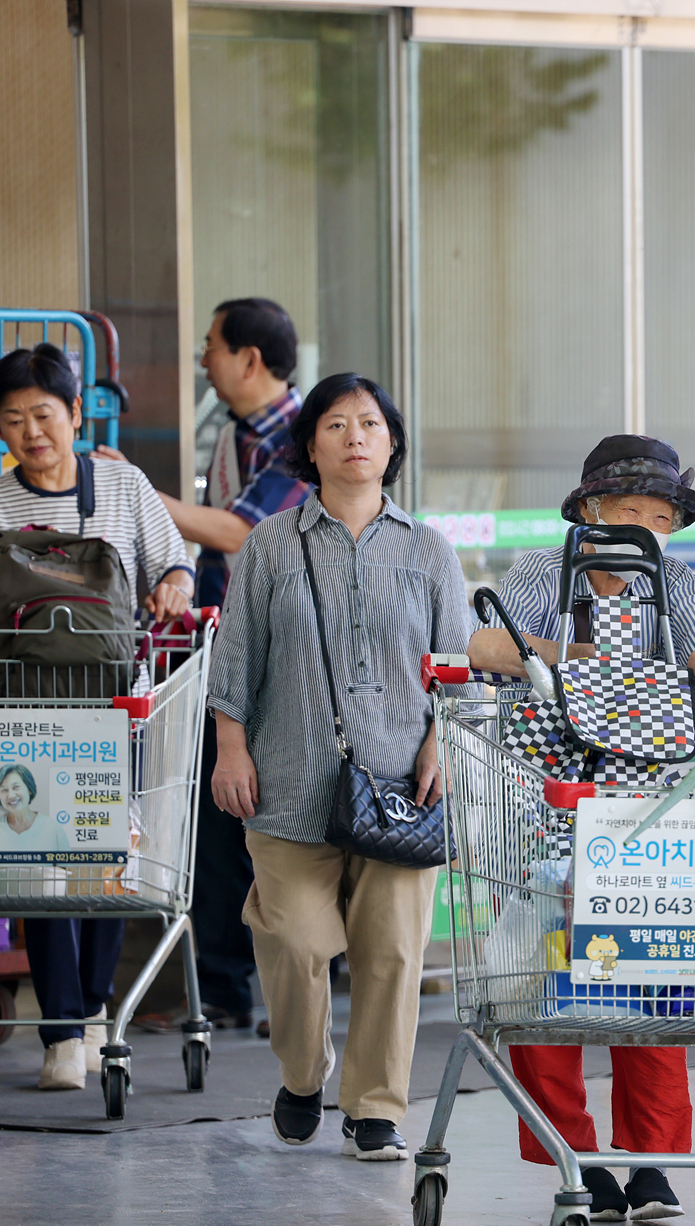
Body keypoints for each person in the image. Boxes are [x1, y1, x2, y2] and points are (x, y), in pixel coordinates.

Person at [208, 372, 470, 1161]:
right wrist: (230, 745)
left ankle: (375, 1107)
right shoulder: (270, 546)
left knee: (392, 951)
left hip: (401, 788)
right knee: (291, 941)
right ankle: (302, 1073)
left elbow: (452, 667)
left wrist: (439, 742)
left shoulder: (428, 549)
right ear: (309, 446)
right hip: (288, 784)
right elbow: (237, 655)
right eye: (335, 424)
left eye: (369, 424)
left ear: (390, 443)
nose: (355, 436)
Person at [465, 433, 695, 1222]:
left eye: (659, 515)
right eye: (628, 509)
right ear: (588, 510)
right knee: (544, 984)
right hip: (551, 806)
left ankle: (651, 1163)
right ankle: (573, 1151)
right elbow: (482, 644)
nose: (643, 527)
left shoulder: (672, 581)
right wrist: (581, 660)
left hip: (643, 816)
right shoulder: (547, 572)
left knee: (652, 980)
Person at [0, 345, 194, 1092]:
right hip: (20, 708)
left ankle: (96, 1010)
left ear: (75, 413)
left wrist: (170, 582)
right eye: (12, 419)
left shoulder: (126, 486)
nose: (31, 432)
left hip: (112, 705)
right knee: (36, 864)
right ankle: (64, 1033)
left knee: (104, 859)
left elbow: (174, 562)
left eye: (44, 414)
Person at [101, 298, 310, 1035]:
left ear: (250, 358)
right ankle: (225, 990)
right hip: (222, 642)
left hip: (276, 658)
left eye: (212, 345)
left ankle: (263, 986)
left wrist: (134, 492)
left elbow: (243, 532)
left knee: (257, 821)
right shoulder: (236, 432)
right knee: (218, 819)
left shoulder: (295, 434)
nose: (202, 359)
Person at [0, 766, 67, 854]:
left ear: (29, 789)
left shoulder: (52, 827)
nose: (11, 795)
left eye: (16, 787)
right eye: (4, 790)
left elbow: (67, 867)